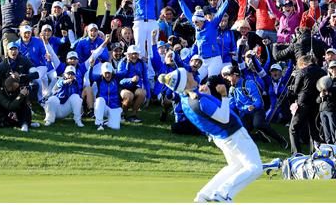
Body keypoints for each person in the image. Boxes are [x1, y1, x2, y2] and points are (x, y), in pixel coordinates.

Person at [158, 68, 262, 202]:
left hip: (223, 137)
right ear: (186, 82)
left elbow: (209, 111)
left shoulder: (187, 99)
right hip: (233, 134)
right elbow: (224, 117)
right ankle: (223, 193)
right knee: (255, 167)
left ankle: (205, 194)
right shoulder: (198, 100)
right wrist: (224, 95)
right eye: (188, 75)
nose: (191, 74)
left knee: (235, 166)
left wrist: (208, 94)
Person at [222, 65, 289, 148]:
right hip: (244, 114)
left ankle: (280, 139)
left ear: (234, 76)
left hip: (256, 111)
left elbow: (258, 101)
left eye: (228, 76)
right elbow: (231, 105)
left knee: (258, 124)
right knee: (240, 134)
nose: (227, 79)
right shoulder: (232, 89)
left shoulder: (249, 84)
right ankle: (258, 136)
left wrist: (252, 106)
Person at [289, 55, 327, 154]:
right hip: (316, 103)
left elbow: (296, 90)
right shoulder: (323, 72)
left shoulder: (302, 71)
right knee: (313, 129)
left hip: (303, 102)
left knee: (293, 128)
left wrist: (293, 84)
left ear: (304, 63)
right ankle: (315, 153)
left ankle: (296, 153)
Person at [117, 45, 150, 123]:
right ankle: (122, 114)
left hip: (135, 86)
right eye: (132, 54)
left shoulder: (141, 63)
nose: (134, 56)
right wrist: (131, 80)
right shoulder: (123, 62)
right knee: (129, 96)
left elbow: (145, 80)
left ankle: (133, 115)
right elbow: (119, 79)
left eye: (136, 54)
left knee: (143, 92)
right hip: (123, 87)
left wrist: (148, 96)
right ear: (128, 54)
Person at [88, 61, 123, 130]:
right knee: (99, 100)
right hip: (103, 107)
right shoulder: (99, 78)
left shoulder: (116, 77)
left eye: (109, 73)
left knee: (115, 127)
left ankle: (107, 122)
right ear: (102, 72)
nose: (107, 75)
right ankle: (99, 124)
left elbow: (125, 73)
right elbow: (91, 77)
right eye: (105, 73)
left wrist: (127, 60)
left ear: (112, 72)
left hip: (114, 106)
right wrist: (91, 66)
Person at [317, 61, 336, 144]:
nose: (333, 70)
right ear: (329, 70)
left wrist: (329, 92)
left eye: (334, 68)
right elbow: (317, 100)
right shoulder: (324, 80)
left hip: (333, 110)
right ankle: (330, 152)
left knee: (334, 132)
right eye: (331, 68)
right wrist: (321, 96)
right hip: (323, 110)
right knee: (326, 134)